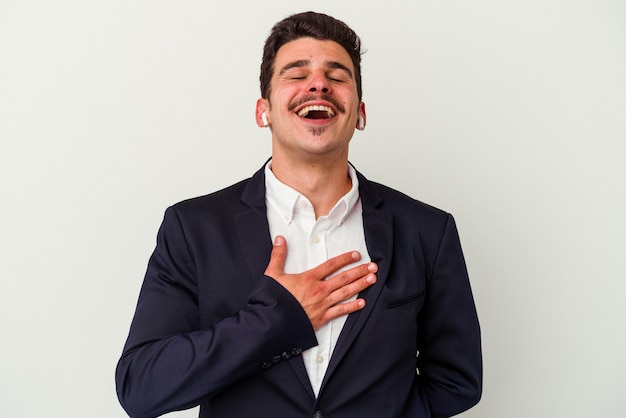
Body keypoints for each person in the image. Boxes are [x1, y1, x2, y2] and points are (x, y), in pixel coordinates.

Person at [116, 11, 482, 418]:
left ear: (359, 112)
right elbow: (142, 385)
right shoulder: (193, 228)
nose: (319, 84)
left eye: (337, 75)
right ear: (263, 111)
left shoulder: (428, 231)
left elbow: (457, 381)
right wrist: (275, 319)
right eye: (296, 73)